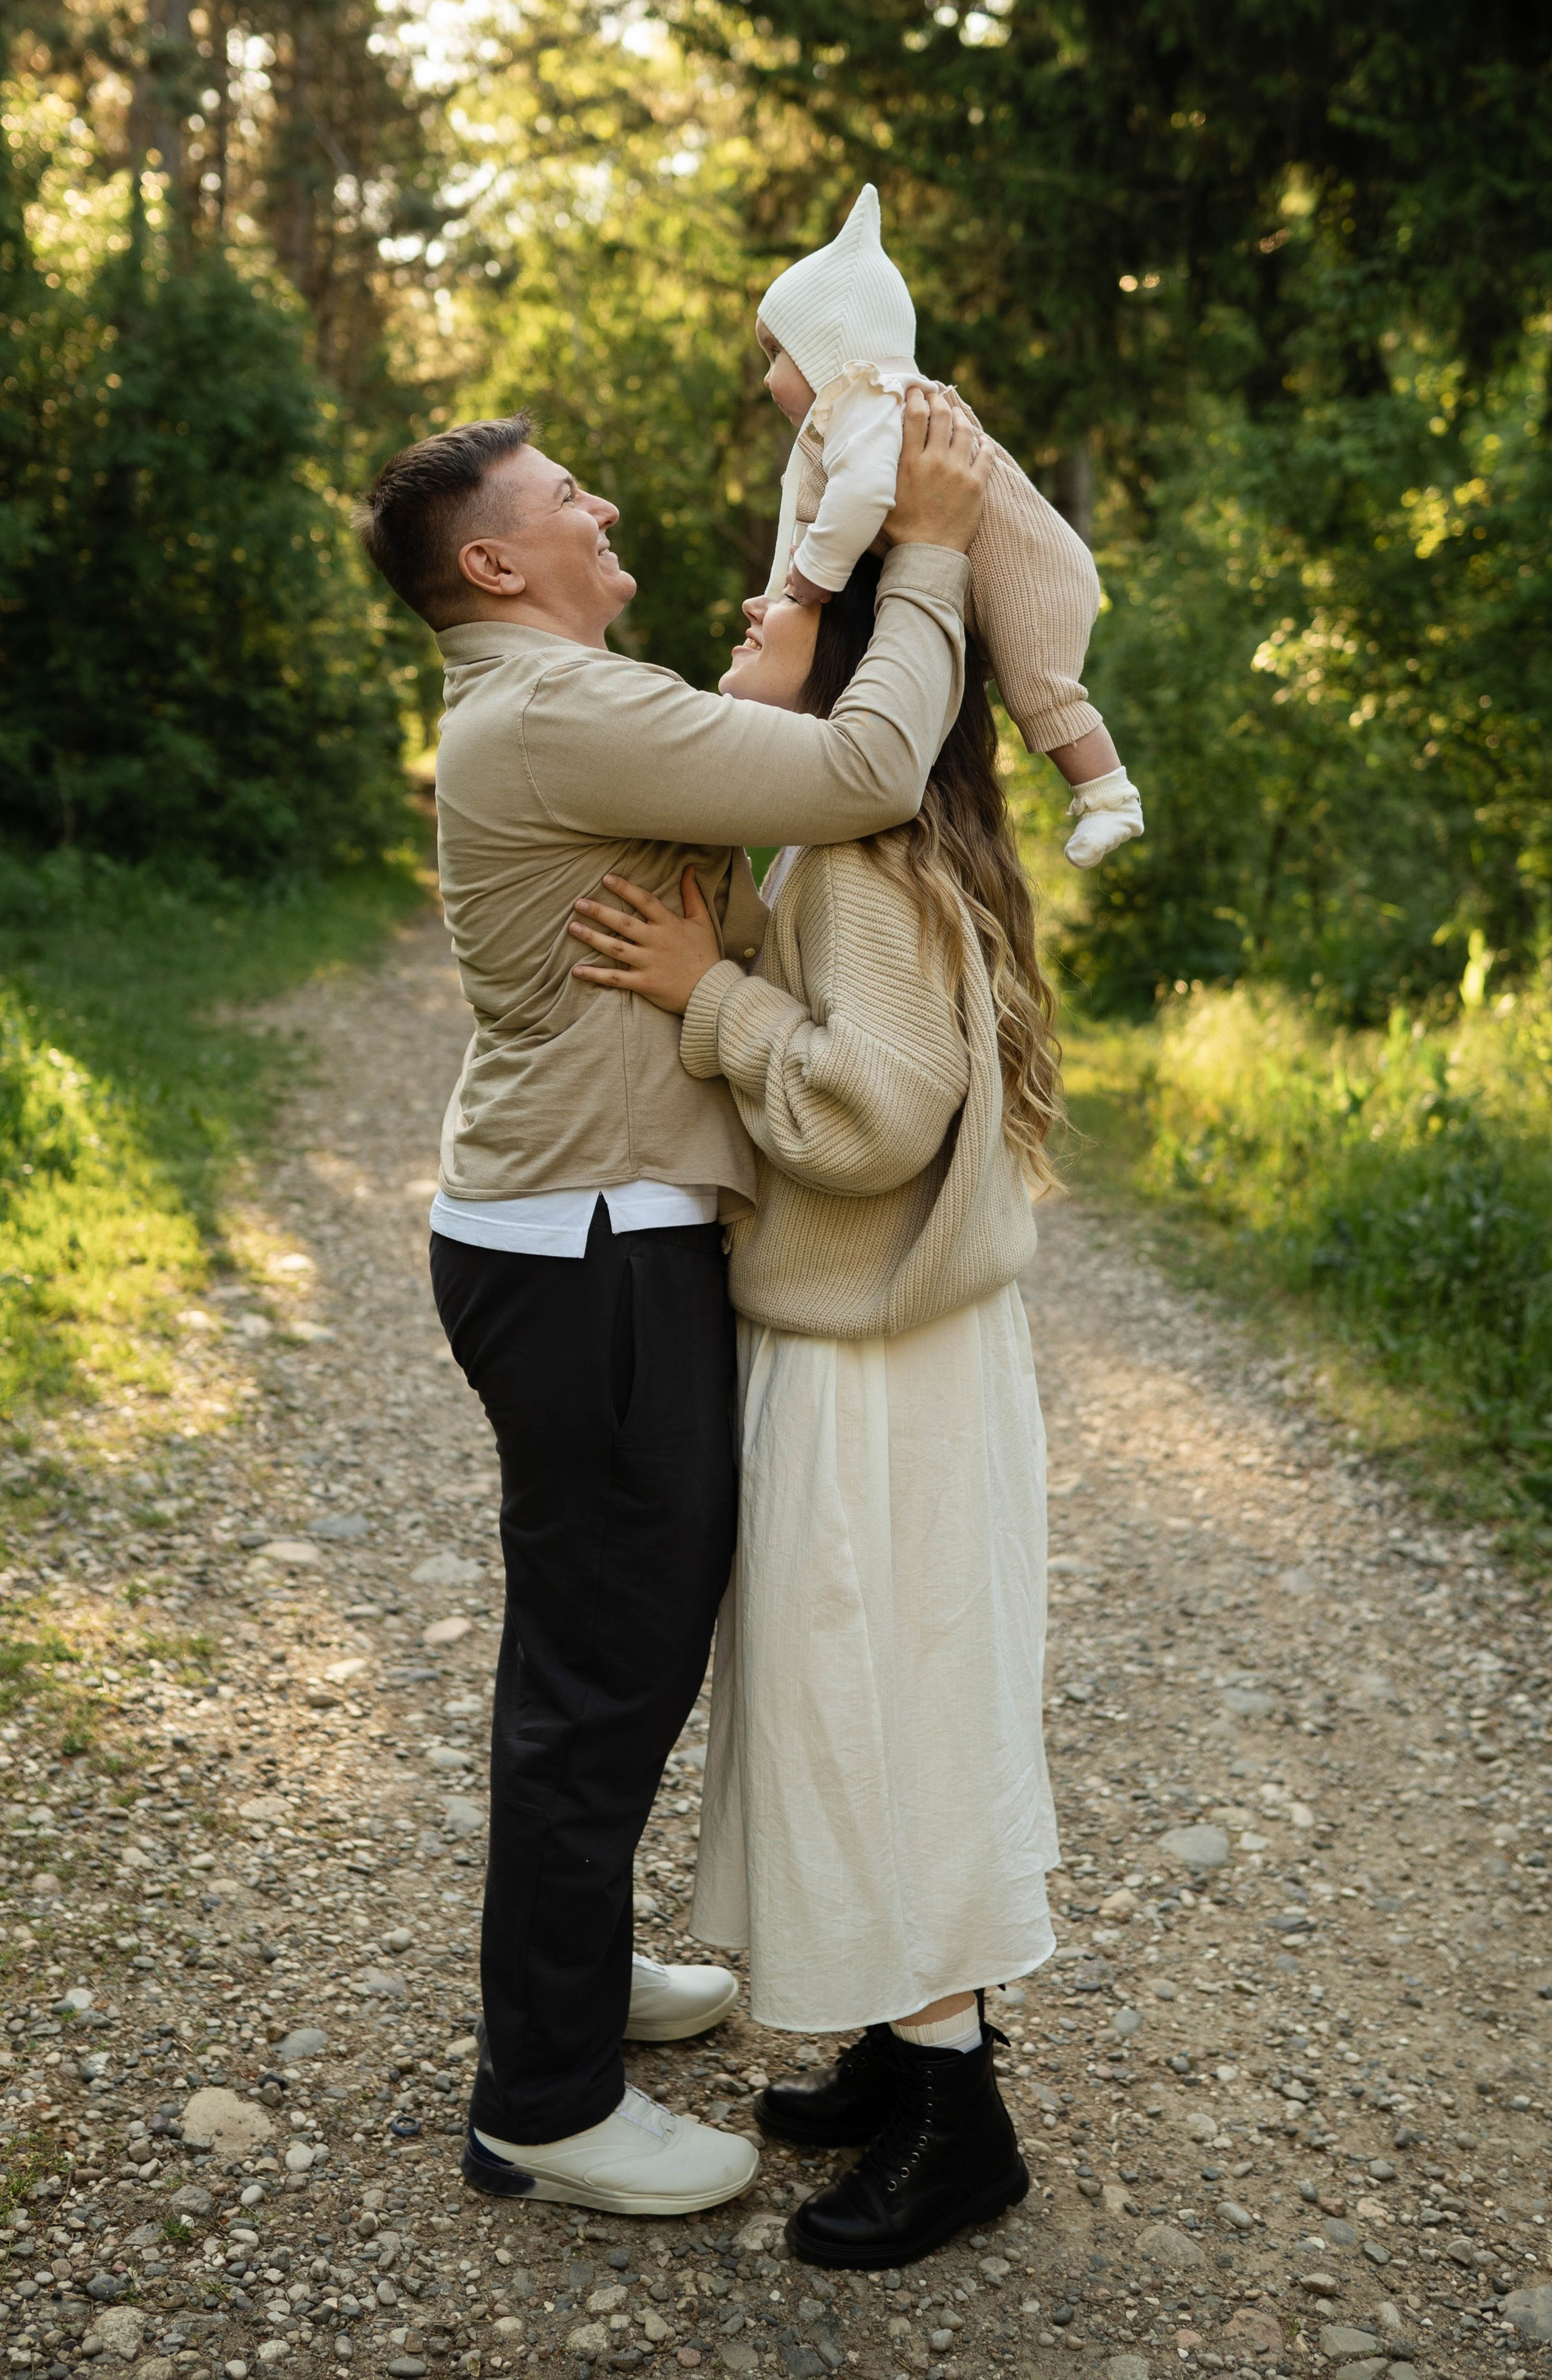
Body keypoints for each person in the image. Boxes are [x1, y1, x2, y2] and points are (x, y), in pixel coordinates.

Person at [351, 393, 986, 2220]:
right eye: (565, 496)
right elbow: (860, 771)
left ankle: (568, 1975)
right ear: (492, 563)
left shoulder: (554, 709)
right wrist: (930, 556)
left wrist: (804, 586)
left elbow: (749, 735)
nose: (600, 498)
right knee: (598, 1668)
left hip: (568, 1238)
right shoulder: (551, 707)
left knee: (583, 1649)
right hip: (590, 1246)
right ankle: (542, 2096)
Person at [566, 548, 1060, 2271]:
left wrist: (704, 994)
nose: (737, 622)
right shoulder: (865, 834)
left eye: (773, 608)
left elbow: (872, 1109)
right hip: (897, 1344)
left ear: (848, 657)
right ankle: (900, 2042)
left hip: (877, 1364)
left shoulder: (851, 854)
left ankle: (960, 2119)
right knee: (879, 1693)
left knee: (878, 1708)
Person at [756, 181, 1145, 870]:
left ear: (829, 351)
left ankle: (1109, 795)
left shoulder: (878, 407)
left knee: (1042, 691)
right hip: (986, 579)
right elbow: (812, 502)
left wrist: (811, 578)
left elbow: (861, 498)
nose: (767, 381)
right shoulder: (853, 417)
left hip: (1034, 575)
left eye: (775, 356)